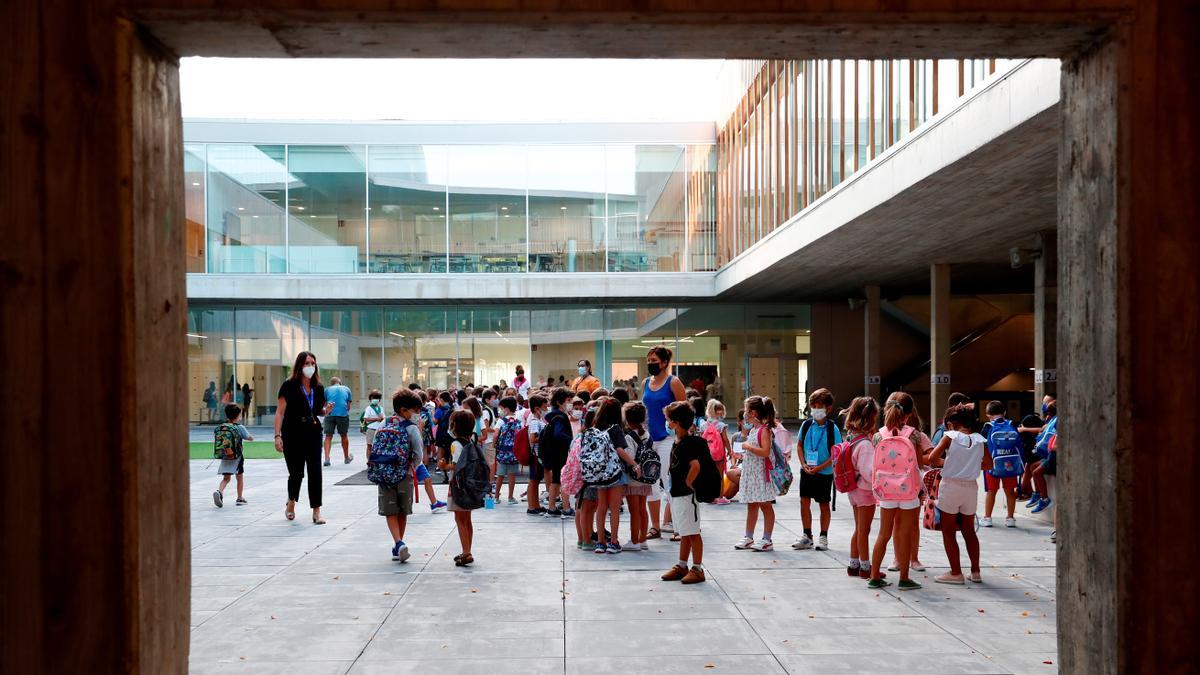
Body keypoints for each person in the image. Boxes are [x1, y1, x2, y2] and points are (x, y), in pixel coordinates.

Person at [927, 403, 992, 584]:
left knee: (948, 531)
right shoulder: (980, 439)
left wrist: (952, 463)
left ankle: (956, 572)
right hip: (971, 488)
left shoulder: (950, 436)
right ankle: (976, 571)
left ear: (954, 423)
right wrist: (969, 465)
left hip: (951, 486)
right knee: (969, 530)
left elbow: (932, 459)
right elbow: (989, 464)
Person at [867, 392, 924, 590]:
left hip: (886, 491)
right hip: (908, 491)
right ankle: (904, 578)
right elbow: (920, 463)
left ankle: (874, 576)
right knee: (905, 532)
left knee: (883, 534)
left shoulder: (877, 435)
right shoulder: (914, 434)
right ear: (908, 415)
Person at [274, 351, 331, 524]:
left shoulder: (318, 387)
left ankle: (316, 511)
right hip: (292, 432)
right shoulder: (289, 385)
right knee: (296, 473)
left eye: (313, 363)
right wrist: (277, 435)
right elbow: (280, 412)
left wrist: (325, 411)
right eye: (307, 363)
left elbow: (316, 410)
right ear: (299, 365)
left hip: (313, 432)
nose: (310, 367)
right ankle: (291, 502)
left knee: (315, 471)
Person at [660, 401, 708, 584]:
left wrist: (689, 482)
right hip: (677, 493)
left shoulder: (687, 444)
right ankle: (682, 564)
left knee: (693, 532)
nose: (667, 424)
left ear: (676, 422)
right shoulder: (678, 441)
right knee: (684, 531)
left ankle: (697, 568)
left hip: (687, 495)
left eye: (668, 420)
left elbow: (695, 466)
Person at [375, 388, 426, 564]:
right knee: (403, 511)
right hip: (404, 474)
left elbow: (375, 446)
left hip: (384, 473)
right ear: (404, 410)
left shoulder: (384, 423)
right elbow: (419, 453)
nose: (417, 414)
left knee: (391, 511)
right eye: (415, 410)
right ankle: (399, 542)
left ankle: (398, 543)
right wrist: (414, 465)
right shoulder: (411, 429)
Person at [642, 346, 687, 539]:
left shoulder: (673, 382)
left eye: (654, 360)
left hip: (669, 438)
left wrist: (681, 437)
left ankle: (679, 526)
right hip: (649, 440)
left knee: (672, 482)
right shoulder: (645, 383)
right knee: (650, 484)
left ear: (665, 363)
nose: (651, 363)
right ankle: (655, 527)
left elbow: (685, 411)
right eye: (649, 360)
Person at [793, 388, 843, 551]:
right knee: (804, 501)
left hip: (824, 472)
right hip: (807, 470)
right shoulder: (806, 425)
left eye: (819, 406)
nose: (815, 410)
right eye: (813, 406)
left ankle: (823, 536)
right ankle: (807, 536)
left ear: (828, 409)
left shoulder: (832, 429)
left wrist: (820, 467)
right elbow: (799, 445)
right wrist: (803, 464)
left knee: (823, 504)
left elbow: (835, 454)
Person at [591, 397, 639, 554]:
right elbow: (620, 450)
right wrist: (634, 464)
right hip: (615, 473)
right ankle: (613, 542)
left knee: (601, 507)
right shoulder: (616, 429)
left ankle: (600, 542)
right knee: (615, 508)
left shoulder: (596, 428)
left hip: (599, 473)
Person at [439, 409, 487, 567]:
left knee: (459, 519)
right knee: (467, 520)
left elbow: (456, 465)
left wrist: (443, 466)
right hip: (470, 487)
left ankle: (466, 552)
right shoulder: (472, 441)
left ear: (454, 426)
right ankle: (467, 549)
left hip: (458, 487)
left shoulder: (455, 444)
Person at [734, 396, 779, 551]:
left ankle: (767, 539)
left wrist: (748, 447)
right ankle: (748, 536)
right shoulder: (753, 430)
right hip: (752, 474)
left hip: (761, 476)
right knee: (752, 505)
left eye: (747, 410)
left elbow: (765, 452)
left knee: (765, 505)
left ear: (753, 413)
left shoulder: (764, 430)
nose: (745, 414)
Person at [843, 397, 880, 579]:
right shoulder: (865, 444)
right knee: (864, 530)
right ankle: (866, 568)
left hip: (853, 489)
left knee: (858, 529)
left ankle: (853, 564)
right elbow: (869, 472)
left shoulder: (851, 438)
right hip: (865, 491)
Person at [980, 400, 1020, 527]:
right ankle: (1010, 518)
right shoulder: (1012, 424)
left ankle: (987, 518)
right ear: (1004, 413)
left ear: (988, 414)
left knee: (991, 491)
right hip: (1010, 463)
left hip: (992, 463)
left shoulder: (987, 427)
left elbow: (982, 445)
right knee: (1010, 491)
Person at [622, 401, 654, 550]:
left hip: (633, 479)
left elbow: (629, 457)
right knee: (642, 509)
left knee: (634, 511)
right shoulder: (647, 435)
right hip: (647, 478)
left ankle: (634, 541)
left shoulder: (629, 437)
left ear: (628, 420)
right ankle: (643, 540)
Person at [540, 387, 576, 519]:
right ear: (560, 402)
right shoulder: (561, 417)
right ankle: (566, 508)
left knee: (556, 480)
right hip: (560, 452)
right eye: (568, 400)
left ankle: (551, 507)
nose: (570, 403)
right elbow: (559, 433)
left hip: (552, 452)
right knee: (564, 479)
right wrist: (572, 440)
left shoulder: (553, 415)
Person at [213, 403, 252, 508]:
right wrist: (250, 438)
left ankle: (219, 491)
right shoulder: (240, 427)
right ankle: (240, 498)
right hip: (237, 456)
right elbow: (249, 437)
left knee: (226, 478)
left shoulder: (223, 427)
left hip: (225, 455)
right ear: (239, 415)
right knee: (239, 478)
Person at [1024, 401, 1057, 514]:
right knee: (1033, 466)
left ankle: (1045, 499)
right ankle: (1037, 494)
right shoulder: (1053, 420)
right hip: (1050, 454)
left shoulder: (1056, 421)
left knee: (1036, 472)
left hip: (1054, 456)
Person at [699, 399, 733, 505]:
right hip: (719, 453)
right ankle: (720, 497)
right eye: (719, 410)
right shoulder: (721, 425)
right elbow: (725, 439)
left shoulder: (703, 425)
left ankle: (710, 496)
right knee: (719, 475)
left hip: (707, 453)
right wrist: (729, 450)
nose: (720, 412)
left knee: (708, 475)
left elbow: (701, 439)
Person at [493, 396, 524, 505]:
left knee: (500, 475)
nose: (500, 411)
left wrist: (494, 445)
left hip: (502, 452)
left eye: (501, 408)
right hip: (514, 453)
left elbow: (496, 434)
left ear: (506, 409)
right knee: (512, 475)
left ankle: (496, 497)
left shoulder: (501, 421)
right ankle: (510, 497)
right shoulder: (519, 421)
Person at [525, 394, 549, 515]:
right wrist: (545, 437)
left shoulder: (539, 421)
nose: (546, 409)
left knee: (536, 481)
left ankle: (536, 505)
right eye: (544, 407)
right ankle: (531, 506)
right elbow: (533, 439)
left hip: (539, 455)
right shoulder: (534, 422)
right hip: (535, 455)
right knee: (533, 481)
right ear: (536, 408)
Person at [322, 376, 353, 466]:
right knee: (344, 435)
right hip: (342, 414)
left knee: (328, 436)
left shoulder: (327, 390)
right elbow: (348, 407)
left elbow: (324, 405)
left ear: (331, 384)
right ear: (340, 383)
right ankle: (346, 458)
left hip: (329, 414)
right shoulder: (346, 389)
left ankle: (327, 459)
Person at [361, 389, 386, 453]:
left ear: (379, 399)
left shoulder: (381, 408)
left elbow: (384, 418)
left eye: (377, 398)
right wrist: (376, 419)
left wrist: (382, 418)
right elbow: (365, 419)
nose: (375, 399)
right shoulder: (368, 408)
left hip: (380, 430)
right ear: (370, 399)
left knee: (379, 446)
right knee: (369, 446)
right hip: (371, 429)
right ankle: (369, 461)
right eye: (373, 398)